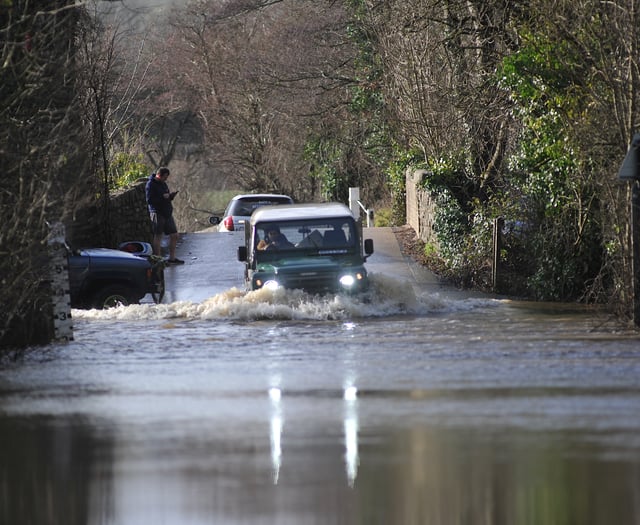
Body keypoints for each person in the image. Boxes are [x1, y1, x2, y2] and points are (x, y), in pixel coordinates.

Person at [145, 167, 184, 264]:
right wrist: (162, 197)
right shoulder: (150, 185)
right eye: (165, 177)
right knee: (158, 236)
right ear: (159, 175)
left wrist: (170, 196)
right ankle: (158, 260)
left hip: (167, 212)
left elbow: (165, 197)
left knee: (174, 235)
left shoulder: (163, 184)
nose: (166, 179)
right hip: (157, 212)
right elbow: (149, 200)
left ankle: (172, 258)